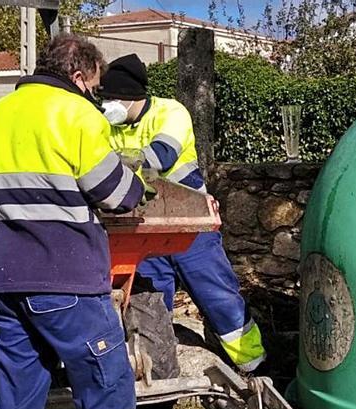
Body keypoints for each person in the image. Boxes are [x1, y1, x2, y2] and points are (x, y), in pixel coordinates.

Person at [0, 35, 145, 409]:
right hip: (65, 277)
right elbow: (118, 195)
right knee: (106, 380)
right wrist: (136, 183)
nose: (96, 93)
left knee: (16, 389)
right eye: (94, 83)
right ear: (78, 76)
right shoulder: (76, 114)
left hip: (4, 281)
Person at [99, 54, 267, 374]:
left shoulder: (170, 112)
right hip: (143, 230)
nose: (107, 105)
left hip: (192, 227)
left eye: (111, 98)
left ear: (131, 96)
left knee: (219, 298)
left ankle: (254, 366)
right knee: (153, 308)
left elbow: (161, 158)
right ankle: (161, 375)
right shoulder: (108, 127)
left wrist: (113, 161)